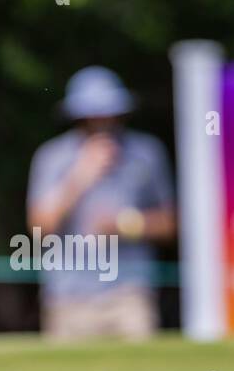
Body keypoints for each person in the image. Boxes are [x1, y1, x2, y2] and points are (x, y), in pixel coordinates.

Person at [27, 67, 176, 340]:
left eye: (108, 114)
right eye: (93, 116)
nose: (102, 122)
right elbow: (39, 227)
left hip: (131, 294)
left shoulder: (147, 153)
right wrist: (80, 176)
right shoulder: (51, 156)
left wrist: (126, 224)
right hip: (68, 297)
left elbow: (170, 224)